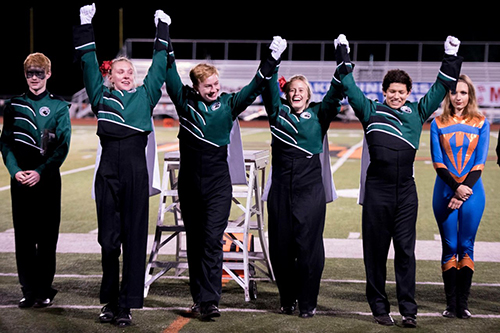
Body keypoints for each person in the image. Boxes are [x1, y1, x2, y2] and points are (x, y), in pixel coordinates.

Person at [333, 34, 463, 327]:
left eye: (401, 91)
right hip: (377, 191)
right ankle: (379, 307)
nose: (396, 95)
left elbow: (441, 86)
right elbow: (350, 88)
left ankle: (408, 310)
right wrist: (343, 53)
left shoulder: (417, 113)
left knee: (406, 252)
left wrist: (451, 55)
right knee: (375, 253)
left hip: (406, 193)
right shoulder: (371, 111)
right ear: (384, 92)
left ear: (407, 93)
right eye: (391, 91)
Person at [163, 22, 286, 320]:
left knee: (211, 239)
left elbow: (256, 85)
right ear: (196, 87)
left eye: (216, 85)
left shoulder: (229, 105)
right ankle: (200, 300)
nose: (214, 90)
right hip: (190, 185)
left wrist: (272, 59)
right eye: (208, 86)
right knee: (195, 241)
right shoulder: (185, 103)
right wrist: (163, 32)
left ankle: (210, 300)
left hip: (219, 186)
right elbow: (168, 72)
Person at [73, 3, 170, 326]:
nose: (126, 75)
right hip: (108, 175)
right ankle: (110, 301)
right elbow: (88, 64)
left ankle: (126, 305)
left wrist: (162, 30)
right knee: (108, 241)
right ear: (110, 77)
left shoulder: (146, 97)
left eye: (130, 71)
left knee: (133, 239)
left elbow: (159, 66)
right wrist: (86, 25)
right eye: (120, 72)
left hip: (135, 174)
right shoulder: (102, 97)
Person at [261, 65, 342, 318]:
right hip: (281, 188)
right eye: (292, 90)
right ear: (287, 95)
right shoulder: (277, 113)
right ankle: (287, 298)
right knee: (280, 247)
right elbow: (268, 90)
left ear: (308, 95)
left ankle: (308, 301)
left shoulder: (319, 114)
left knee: (309, 248)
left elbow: (334, 95)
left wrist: (342, 63)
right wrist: (272, 62)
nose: (296, 93)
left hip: (309, 189)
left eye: (301, 90)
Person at [0, 53, 71, 308]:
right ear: (25, 75)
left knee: (47, 237)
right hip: (20, 180)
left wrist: (41, 171)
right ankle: (28, 290)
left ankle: (43, 290)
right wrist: (14, 170)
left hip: (48, 179)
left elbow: (62, 147)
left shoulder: (59, 107)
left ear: (48, 74)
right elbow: (5, 142)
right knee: (24, 238)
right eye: (30, 73)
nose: (34, 78)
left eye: (39, 73)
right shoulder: (14, 105)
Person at [430, 74, 490, 319]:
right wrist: (455, 188)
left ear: (470, 95)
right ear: (448, 95)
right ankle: (450, 304)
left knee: (466, 246)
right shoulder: (437, 123)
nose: (458, 97)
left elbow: (480, 162)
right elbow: (437, 161)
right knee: (449, 246)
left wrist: (463, 190)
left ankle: (462, 304)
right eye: (454, 92)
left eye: (463, 92)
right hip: (444, 189)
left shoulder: (481, 122)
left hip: (473, 191)